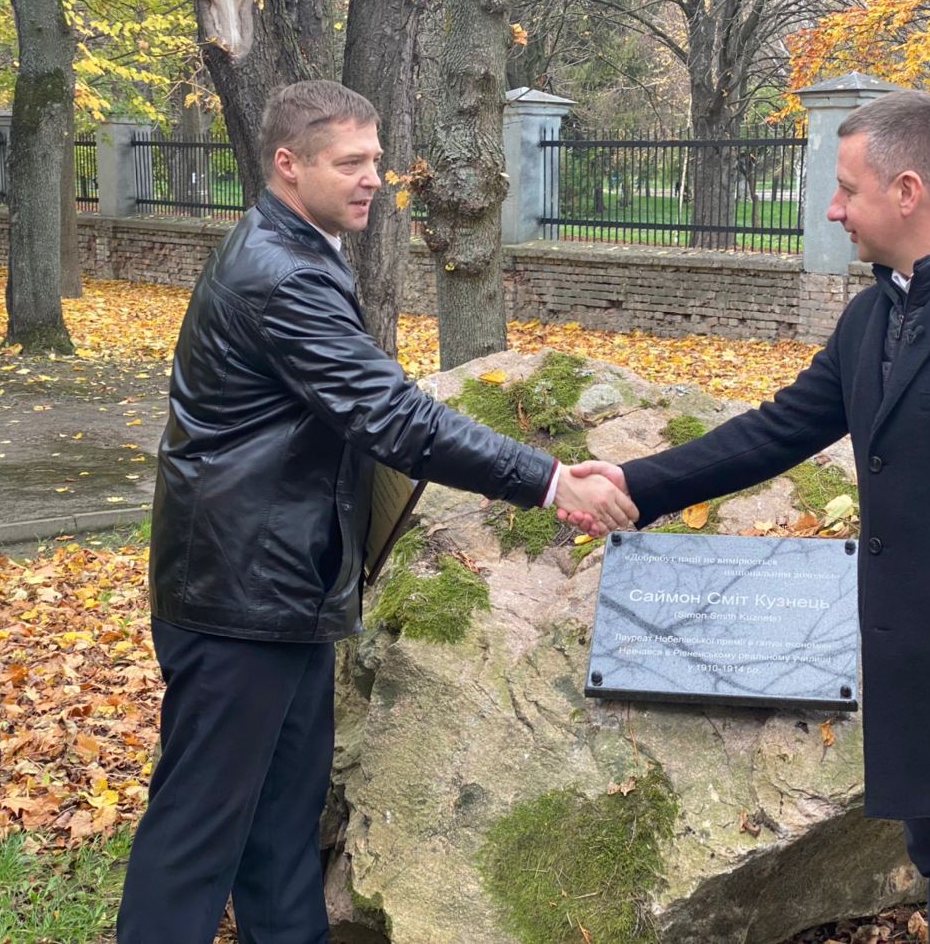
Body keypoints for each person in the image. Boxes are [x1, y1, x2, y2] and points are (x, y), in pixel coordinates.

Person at [563, 90, 930, 943]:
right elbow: (779, 429)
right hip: (917, 670)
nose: (833, 209)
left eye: (846, 189)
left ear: (907, 191)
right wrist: (636, 482)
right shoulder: (875, 314)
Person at [117, 80, 636, 943]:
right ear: (288, 164)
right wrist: (550, 482)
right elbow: (393, 417)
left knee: (281, 826)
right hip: (237, 595)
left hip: (281, 584)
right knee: (198, 834)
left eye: (377, 161)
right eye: (350, 163)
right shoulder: (280, 274)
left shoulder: (302, 248)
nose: (372, 179)